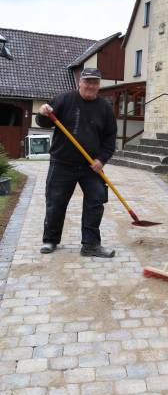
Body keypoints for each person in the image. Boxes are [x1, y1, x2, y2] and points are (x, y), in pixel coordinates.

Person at [36, 67, 117, 258]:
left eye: (95, 82)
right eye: (87, 81)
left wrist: (101, 160)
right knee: (56, 202)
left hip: (91, 166)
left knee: (96, 202)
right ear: (80, 82)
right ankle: (50, 240)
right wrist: (42, 112)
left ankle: (90, 245)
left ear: (99, 85)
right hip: (62, 163)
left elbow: (110, 139)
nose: (90, 85)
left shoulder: (105, 108)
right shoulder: (64, 99)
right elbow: (45, 122)